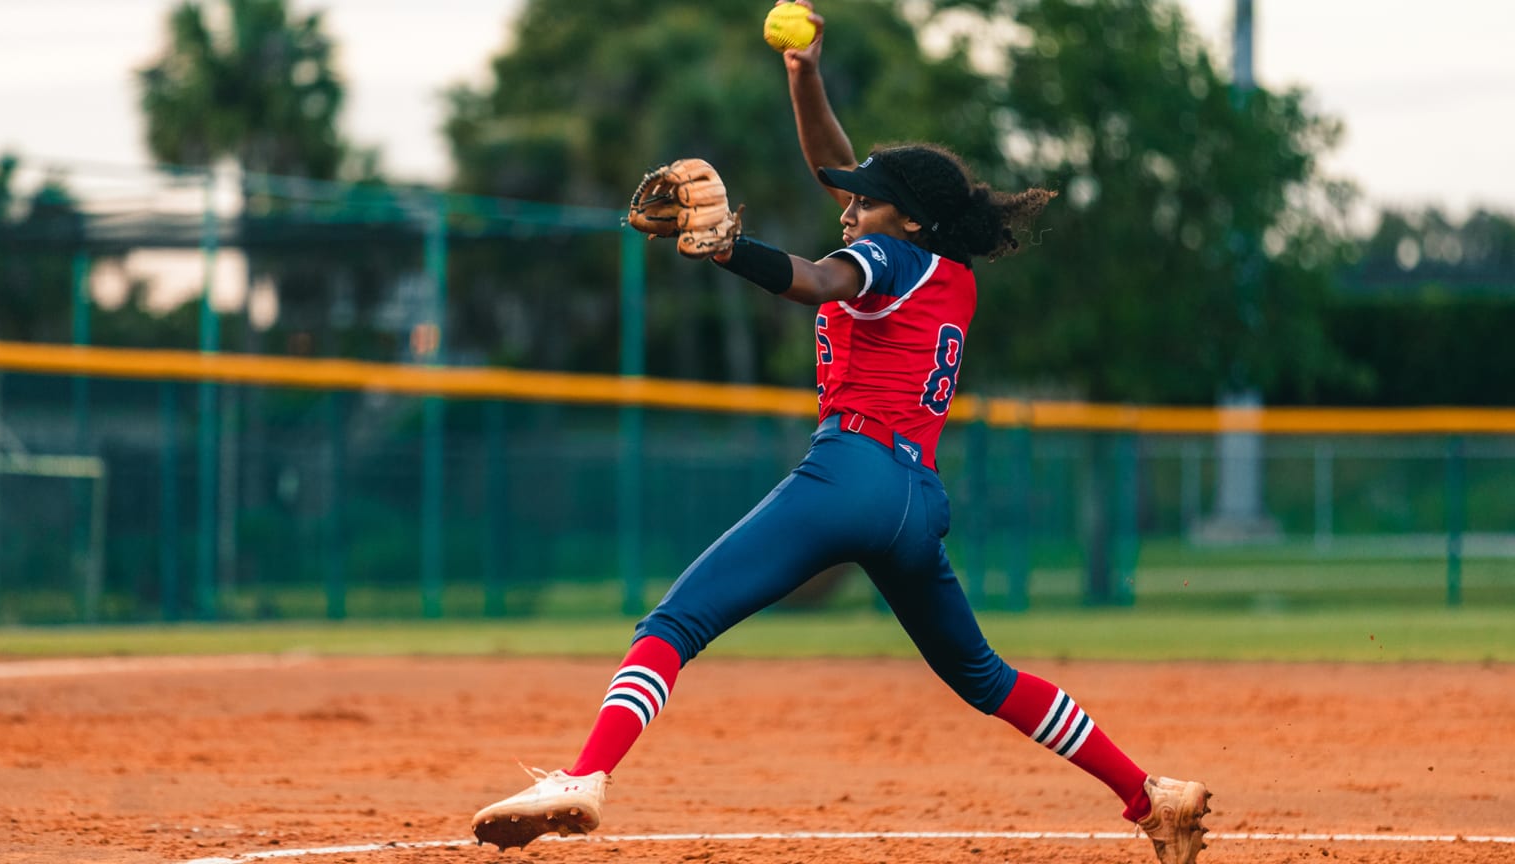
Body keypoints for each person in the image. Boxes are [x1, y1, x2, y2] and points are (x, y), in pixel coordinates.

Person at [471, 3, 1212, 863]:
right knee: (985, 677)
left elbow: (818, 280)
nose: (850, 205)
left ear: (905, 218)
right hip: (916, 499)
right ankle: (1151, 796)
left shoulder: (883, 258)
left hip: (848, 474)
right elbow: (836, 173)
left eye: (870, 199)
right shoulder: (946, 272)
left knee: (671, 627)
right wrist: (805, 74)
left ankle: (584, 778)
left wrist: (729, 252)